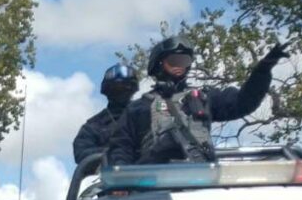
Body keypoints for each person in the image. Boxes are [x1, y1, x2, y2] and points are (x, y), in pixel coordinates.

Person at [107, 35, 288, 165]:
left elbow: (244, 103)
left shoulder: (205, 98)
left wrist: (262, 71)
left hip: (201, 181)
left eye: (184, 62)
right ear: (158, 65)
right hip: (152, 185)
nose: (179, 67)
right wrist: (122, 181)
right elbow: (120, 147)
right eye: (174, 61)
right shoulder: (139, 108)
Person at [72, 64, 139, 164]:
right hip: (105, 176)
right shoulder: (93, 126)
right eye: (115, 88)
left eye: (125, 87)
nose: (120, 91)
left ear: (132, 90)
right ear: (106, 91)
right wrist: (113, 153)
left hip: (148, 175)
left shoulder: (145, 116)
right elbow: (81, 152)